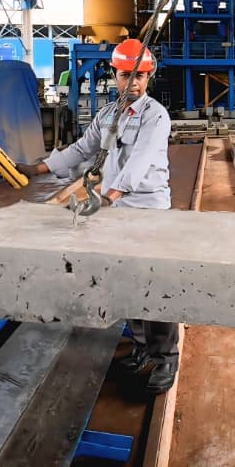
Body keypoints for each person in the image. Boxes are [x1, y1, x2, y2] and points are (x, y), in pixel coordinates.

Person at [17, 38, 178, 394]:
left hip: (148, 210)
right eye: (126, 76)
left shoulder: (156, 116)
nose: (134, 84)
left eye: (141, 77)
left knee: (156, 284)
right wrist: (38, 168)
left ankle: (165, 357)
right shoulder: (107, 115)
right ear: (115, 75)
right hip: (116, 210)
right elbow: (81, 149)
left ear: (148, 77)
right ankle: (140, 346)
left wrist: (110, 195)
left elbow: (141, 160)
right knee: (126, 280)